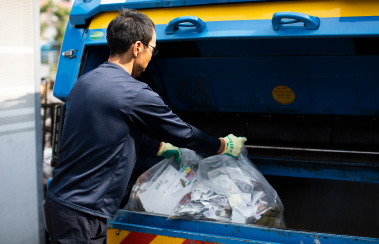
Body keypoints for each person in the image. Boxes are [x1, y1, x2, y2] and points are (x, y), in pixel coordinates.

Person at [45, 9, 247, 243]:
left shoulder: (85, 82)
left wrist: (161, 147)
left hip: (58, 203)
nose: (152, 57)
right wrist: (222, 145)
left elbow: (112, 134)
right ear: (137, 47)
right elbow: (183, 133)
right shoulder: (133, 93)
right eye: (153, 49)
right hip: (83, 216)